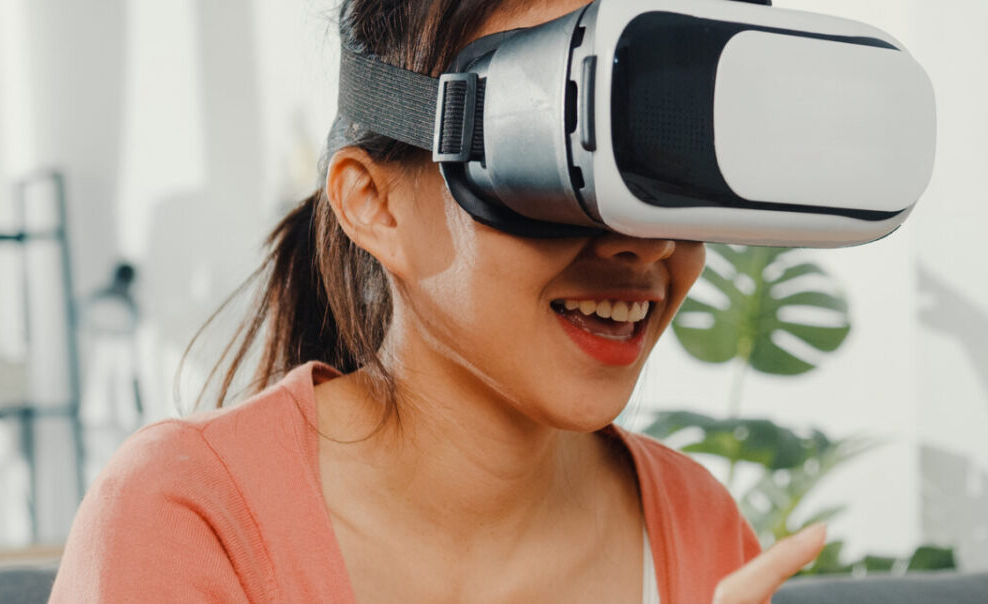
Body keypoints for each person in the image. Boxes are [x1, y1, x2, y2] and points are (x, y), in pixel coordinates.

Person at [48, 0, 826, 602]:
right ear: (376, 204)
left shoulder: (697, 522)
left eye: (661, 177)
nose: (643, 246)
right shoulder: (186, 514)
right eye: (559, 162)